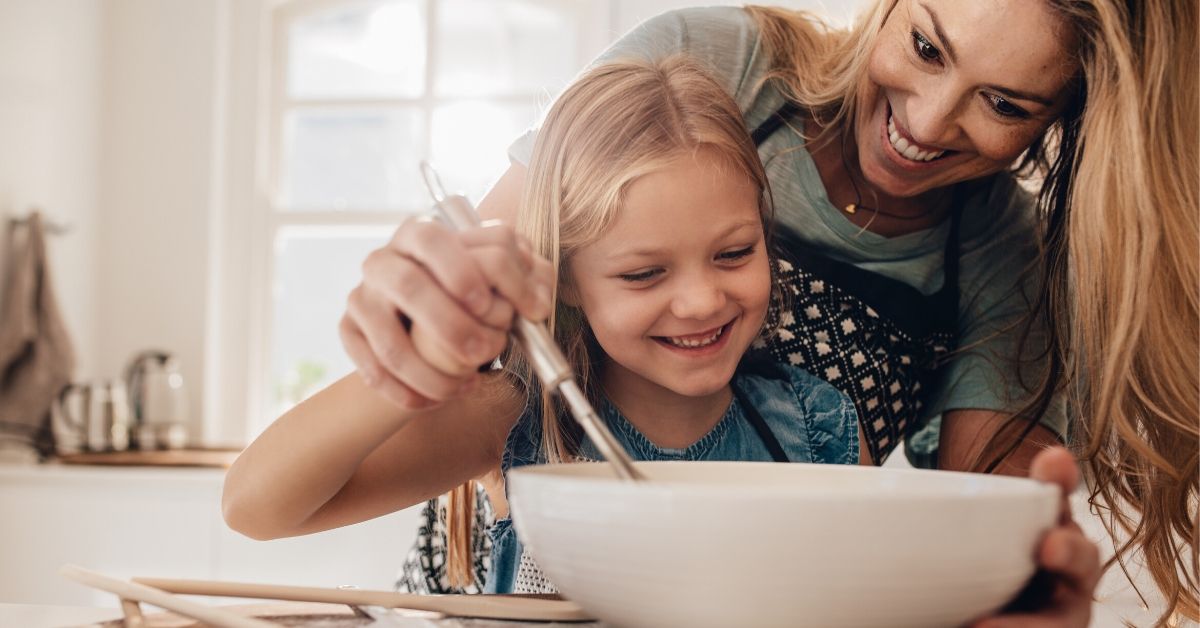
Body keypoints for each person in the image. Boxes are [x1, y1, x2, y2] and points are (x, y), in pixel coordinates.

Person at [336, 1, 1198, 623]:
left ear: (1065, 122)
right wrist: (425, 321)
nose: (927, 124)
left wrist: (1008, 577)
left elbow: (962, 542)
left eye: (1006, 103)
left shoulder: (1009, 259)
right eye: (927, 46)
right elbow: (490, 301)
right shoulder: (717, 61)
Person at [224, 56, 860, 596]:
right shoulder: (516, 421)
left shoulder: (817, 426)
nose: (699, 301)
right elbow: (255, 507)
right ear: (568, 284)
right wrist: (421, 364)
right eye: (643, 274)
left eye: (733, 254)